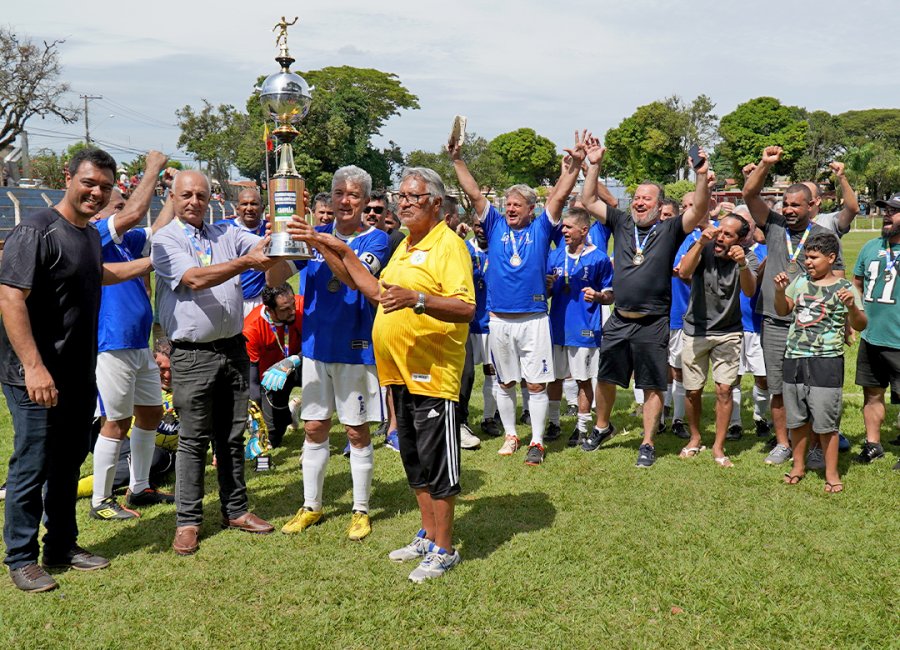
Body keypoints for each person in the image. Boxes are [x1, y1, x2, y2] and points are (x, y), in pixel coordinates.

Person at [291, 166, 474, 582]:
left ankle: (445, 549)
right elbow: (373, 289)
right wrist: (324, 241)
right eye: (402, 196)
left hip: (433, 372)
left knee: (438, 465)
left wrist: (419, 299)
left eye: (413, 196)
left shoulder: (450, 246)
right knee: (414, 461)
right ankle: (428, 535)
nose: (403, 202)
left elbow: (465, 308)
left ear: (435, 202)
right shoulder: (407, 244)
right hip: (399, 374)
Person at [0, 147, 153, 592]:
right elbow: (10, 298)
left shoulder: (86, 233)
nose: (96, 192)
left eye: (105, 187)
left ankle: (62, 545)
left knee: (68, 460)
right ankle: (22, 557)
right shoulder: (36, 230)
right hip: (35, 373)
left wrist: (145, 265)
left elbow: (91, 273)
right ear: (68, 177)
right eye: (89, 183)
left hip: (78, 370)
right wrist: (34, 367)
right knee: (33, 462)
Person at [151, 170, 277, 556]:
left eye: (201, 196)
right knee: (193, 440)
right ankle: (188, 521)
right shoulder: (164, 239)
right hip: (192, 353)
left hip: (232, 348)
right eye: (186, 195)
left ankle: (235, 509)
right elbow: (194, 278)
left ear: (210, 200)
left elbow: (269, 245)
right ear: (172, 197)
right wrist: (245, 263)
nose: (193, 202)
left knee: (232, 435)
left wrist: (289, 217)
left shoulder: (226, 233)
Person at [448, 128, 589, 466]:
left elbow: (557, 197)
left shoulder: (541, 228)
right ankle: (511, 434)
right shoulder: (495, 225)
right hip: (499, 319)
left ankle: (537, 441)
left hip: (533, 318)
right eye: (507, 204)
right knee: (505, 381)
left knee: (537, 384)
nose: (510, 209)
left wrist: (574, 168)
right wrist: (456, 159)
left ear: (530, 209)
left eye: (517, 205)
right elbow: (474, 193)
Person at [268, 165, 389, 541]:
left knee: (355, 432)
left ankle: (361, 509)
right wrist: (279, 238)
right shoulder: (313, 235)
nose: (345, 201)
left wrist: (320, 243)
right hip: (316, 349)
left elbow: (354, 278)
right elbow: (275, 279)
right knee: (315, 427)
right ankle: (312, 505)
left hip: (357, 349)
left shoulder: (376, 239)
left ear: (366, 200)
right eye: (339, 193)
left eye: (353, 194)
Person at [580, 140, 710, 467]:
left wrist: (701, 175)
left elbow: (698, 210)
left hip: (653, 321)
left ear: (658, 204)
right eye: (636, 198)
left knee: (652, 383)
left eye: (646, 198)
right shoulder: (622, 223)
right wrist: (594, 164)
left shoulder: (669, 229)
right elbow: (588, 199)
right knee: (606, 378)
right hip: (620, 318)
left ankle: (648, 442)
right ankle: (602, 426)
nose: (639, 203)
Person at [742, 146, 845, 465]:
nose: (787, 209)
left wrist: (842, 321)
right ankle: (784, 443)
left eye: (794, 205)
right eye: (785, 203)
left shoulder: (823, 236)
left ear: (811, 207)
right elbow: (749, 193)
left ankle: (815, 445)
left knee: (812, 386)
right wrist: (765, 164)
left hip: (810, 321)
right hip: (773, 319)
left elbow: (838, 276)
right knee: (778, 385)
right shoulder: (772, 225)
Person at [89, 151, 177, 521]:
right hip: (112, 343)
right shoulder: (95, 236)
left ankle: (139, 487)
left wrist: (173, 193)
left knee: (151, 412)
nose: (125, 210)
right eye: (118, 206)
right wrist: (152, 170)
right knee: (117, 420)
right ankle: (100, 501)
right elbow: (138, 218)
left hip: (139, 342)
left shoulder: (125, 240)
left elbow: (157, 231)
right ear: (100, 213)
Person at [774, 232, 866, 491]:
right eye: (806, 257)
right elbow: (783, 309)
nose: (809, 262)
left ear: (831, 257)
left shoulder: (845, 288)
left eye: (814, 257)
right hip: (794, 359)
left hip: (826, 362)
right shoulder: (800, 281)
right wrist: (780, 292)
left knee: (826, 422)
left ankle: (832, 473)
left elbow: (861, 323)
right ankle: (798, 465)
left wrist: (852, 308)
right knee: (797, 419)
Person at [677, 214, 758, 466]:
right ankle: (695, 437)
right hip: (696, 330)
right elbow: (683, 272)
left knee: (724, 390)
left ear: (741, 239)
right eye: (719, 231)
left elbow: (749, 290)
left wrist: (742, 264)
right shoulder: (704, 247)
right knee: (692, 391)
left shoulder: (747, 257)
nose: (720, 237)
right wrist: (701, 243)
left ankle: (719, 447)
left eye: (728, 234)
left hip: (729, 332)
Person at [544, 208, 614, 447]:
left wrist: (597, 296)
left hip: (585, 329)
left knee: (583, 379)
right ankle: (553, 422)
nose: (564, 231)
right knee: (553, 378)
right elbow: (545, 292)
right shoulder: (554, 256)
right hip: (557, 327)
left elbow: (610, 294)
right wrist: (548, 286)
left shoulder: (599, 258)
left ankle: (582, 427)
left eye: (569, 227)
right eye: (563, 227)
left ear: (584, 230)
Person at [853, 192, 900, 469]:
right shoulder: (870, 247)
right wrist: (854, 316)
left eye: (893, 211)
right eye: (885, 209)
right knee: (871, 393)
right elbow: (856, 283)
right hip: (871, 337)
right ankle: (873, 444)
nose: (886, 214)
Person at [243, 283, 303, 447]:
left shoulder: (302, 306)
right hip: (273, 380)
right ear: (269, 310)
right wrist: (257, 419)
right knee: (273, 440)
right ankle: (287, 414)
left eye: (292, 304)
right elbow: (253, 382)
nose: (292, 311)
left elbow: (321, 343)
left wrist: (295, 359)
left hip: (303, 364)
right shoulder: (251, 329)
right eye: (285, 309)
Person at [728, 212, 771, 439]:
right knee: (732, 376)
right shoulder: (722, 251)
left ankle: (759, 417)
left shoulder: (765, 251)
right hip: (731, 326)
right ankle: (734, 423)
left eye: (747, 223)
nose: (743, 229)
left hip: (757, 324)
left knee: (762, 376)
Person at [466, 215, 501, 438]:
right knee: (464, 375)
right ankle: (461, 417)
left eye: (484, 226)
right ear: (472, 226)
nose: (481, 230)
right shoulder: (463, 249)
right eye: (477, 225)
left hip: (492, 323)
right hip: (467, 322)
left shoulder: (500, 248)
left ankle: (489, 417)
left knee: (492, 373)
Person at [224, 188, 268, 317]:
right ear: (237, 208)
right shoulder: (223, 228)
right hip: (228, 301)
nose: (249, 208)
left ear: (262, 208)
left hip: (258, 300)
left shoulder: (270, 229)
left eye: (254, 204)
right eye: (244, 204)